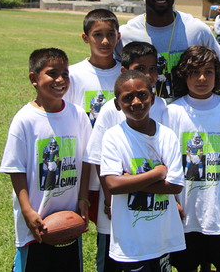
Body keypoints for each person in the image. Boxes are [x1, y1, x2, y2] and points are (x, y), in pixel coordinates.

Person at [163, 46, 220, 272]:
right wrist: (171, 200)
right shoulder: (173, 111)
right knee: (186, 266)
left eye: (209, 71)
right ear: (184, 74)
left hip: (219, 214)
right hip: (185, 212)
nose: (202, 78)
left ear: (218, 75)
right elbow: (164, 161)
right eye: (194, 72)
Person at [0, 48, 92, 272]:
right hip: (36, 222)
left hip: (68, 218)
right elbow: (16, 169)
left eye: (65, 73)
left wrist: (83, 199)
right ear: (34, 78)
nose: (60, 80)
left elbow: (86, 161)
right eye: (52, 73)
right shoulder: (25, 119)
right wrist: (27, 211)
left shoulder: (77, 114)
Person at [85, 41, 167, 272]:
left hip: (153, 205)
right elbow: (98, 157)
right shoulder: (112, 110)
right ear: (125, 71)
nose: (149, 75)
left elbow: (168, 160)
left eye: (153, 69)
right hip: (115, 204)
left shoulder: (162, 107)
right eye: (141, 69)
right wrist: (109, 198)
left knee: (150, 256)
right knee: (112, 258)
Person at [100, 70, 185, 270]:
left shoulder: (167, 136)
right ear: (117, 104)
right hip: (130, 243)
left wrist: (130, 181)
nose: (136, 102)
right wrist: (156, 173)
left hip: (162, 238)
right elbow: (112, 184)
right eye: (127, 98)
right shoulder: (113, 137)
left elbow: (175, 186)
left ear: (153, 98)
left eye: (142, 95)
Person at [63, 9, 122, 227]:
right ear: (85, 37)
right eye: (98, 34)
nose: (105, 40)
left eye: (111, 34)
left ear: (119, 36)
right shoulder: (73, 75)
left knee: (113, 233)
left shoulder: (125, 74)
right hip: (85, 171)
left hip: (117, 170)